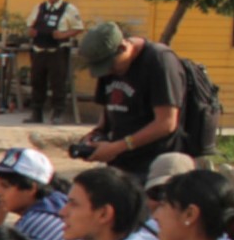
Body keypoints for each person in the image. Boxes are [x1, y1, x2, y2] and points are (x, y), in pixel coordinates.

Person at [77, 22, 186, 175]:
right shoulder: (108, 63)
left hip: (153, 163)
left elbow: (166, 123)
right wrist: (96, 134)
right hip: (120, 160)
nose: (108, 72)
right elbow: (109, 107)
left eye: (110, 66)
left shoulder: (159, 61)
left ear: (122, 48)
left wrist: (118, 146)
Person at [23, 0, 84, 124]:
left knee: (58, 83)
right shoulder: (40, 7)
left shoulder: (69, 9)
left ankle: (58, 113)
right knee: (37, 82)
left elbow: (79, 27)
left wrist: (63, 35)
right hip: (39, 50)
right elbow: (29, 25)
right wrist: (30, 32)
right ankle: (36, 113)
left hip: (57, 51)